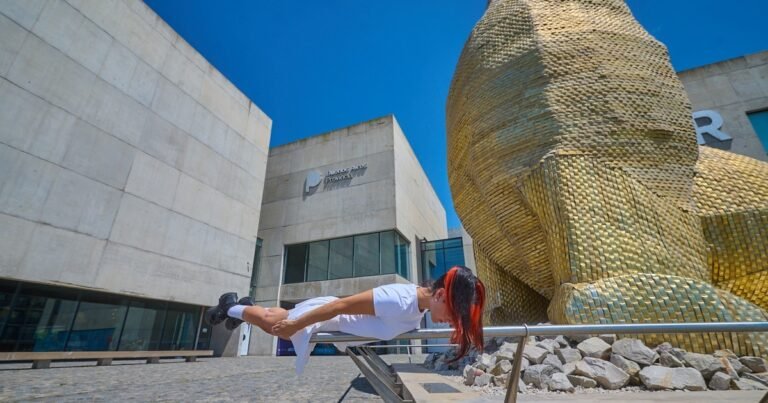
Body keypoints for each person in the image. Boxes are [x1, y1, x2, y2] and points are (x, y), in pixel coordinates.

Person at [205, 265, 485, 374]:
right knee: (273, 323)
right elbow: (340, 305)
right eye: (452, 314)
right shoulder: (398, 299)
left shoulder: (419, 308)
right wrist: (297, 326)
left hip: (334, 321)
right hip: (328, 315)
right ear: (438, 295)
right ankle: (231, 307)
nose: (450, 321)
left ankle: (242, 307)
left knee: (275, 318)